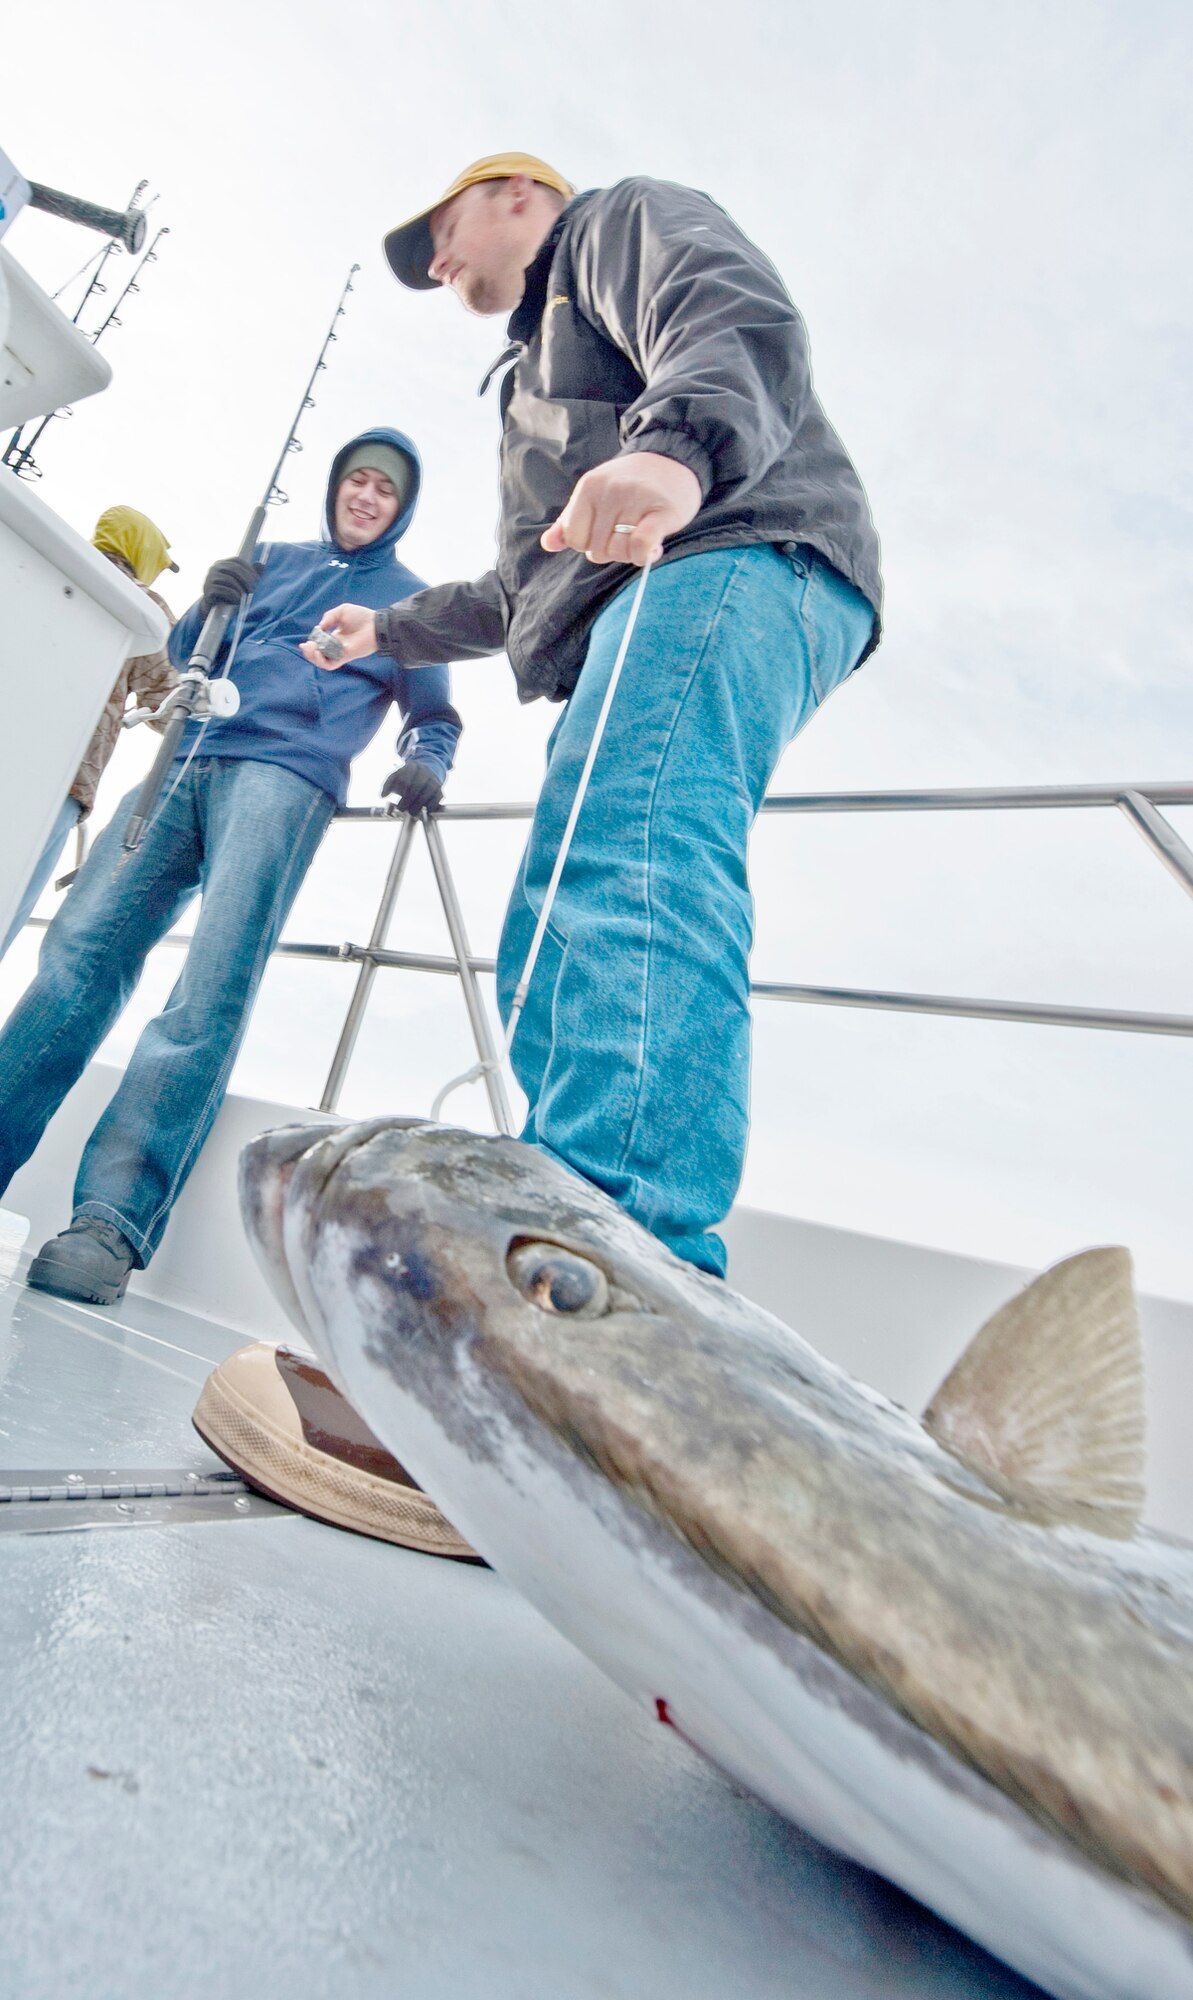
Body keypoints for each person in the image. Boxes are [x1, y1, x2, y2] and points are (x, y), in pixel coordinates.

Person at [304, 154, 883, 1280]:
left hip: (720, 553)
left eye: (442, 227)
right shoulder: (530, 379)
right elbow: (521, 586)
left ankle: (605, 1292)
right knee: (562, 913)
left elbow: (727, 309)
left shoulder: (615, 225)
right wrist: (392, 630)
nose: (435, 260)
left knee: (630, 865)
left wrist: (676, 453)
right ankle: (571, 1263)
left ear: (516, 189)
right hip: (644, 601)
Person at [0, 428, 461, 1305]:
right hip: (183, 757)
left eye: (385, 491)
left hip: (285, 779)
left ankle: (110, 1223)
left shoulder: (407, 601)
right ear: (333, 486)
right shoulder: (270, 558)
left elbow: (432, 713)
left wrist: (427, 763)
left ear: (401, 510)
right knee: (75, 957)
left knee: (206, 992)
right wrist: (208, 600)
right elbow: (182, 656)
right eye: (356, 481)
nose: (365, 497)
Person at [0, 505, 179, 958]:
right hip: (66, 780)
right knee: (10, 900)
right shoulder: (144, 609)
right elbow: (166, 705)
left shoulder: (49, 568)